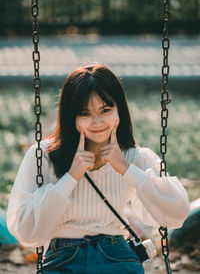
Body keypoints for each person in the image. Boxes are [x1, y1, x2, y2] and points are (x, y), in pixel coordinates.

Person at [7, 63, 190, 274]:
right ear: (71, 117)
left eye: (105, 110)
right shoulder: (43, 156)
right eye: (85, 113)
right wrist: (70, 177)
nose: (97, 122)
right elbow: (24, 230)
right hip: (63, 259)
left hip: (117, 255)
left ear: (119, 109)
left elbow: (178, 212)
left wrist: (126, 169)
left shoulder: (133, 156)